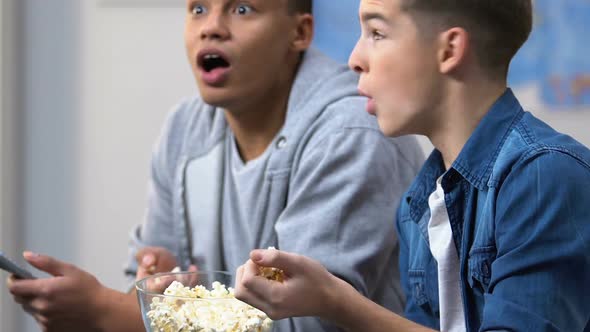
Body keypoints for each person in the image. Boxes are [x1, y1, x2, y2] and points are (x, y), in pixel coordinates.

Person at [7, 0, 424, 331]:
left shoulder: (350, 131)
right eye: (197, 9)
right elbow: (148, 282)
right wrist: (160, 280)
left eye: (242, 9)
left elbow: (305, 319)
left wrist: (105, 313)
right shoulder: (184, 129)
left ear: (300, 32)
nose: (212, 27)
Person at [234, 0, 590, 331]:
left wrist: (336, 300)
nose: (355, 59)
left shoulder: (544, 177)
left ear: (448, 50)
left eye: (377, 33)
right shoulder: (418, 204)